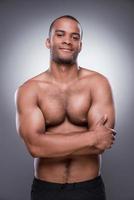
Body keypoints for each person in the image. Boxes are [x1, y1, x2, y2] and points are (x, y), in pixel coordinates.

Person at [15, 15, 116, 200]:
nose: (67, 41)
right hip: (46, 190)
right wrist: (92, 136)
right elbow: (35, 147)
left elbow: (102, 144)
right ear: (48, 41)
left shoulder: (98, 84)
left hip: (89, 188)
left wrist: (49, 142)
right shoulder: (29, 90)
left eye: (74, 37)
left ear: (80, 45)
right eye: (60, 34)